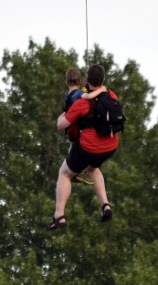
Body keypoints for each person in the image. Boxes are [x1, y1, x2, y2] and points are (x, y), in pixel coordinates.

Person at [47, 64, 117, 230]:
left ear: (87, 80)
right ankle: (106, 205)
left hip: (89, 148)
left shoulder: (81, 103)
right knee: (92, 168)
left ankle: (59, 215)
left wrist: (63, 114)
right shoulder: (112, 96)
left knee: (64, 173)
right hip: (109, 147)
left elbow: (62, 124)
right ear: (103, 80)